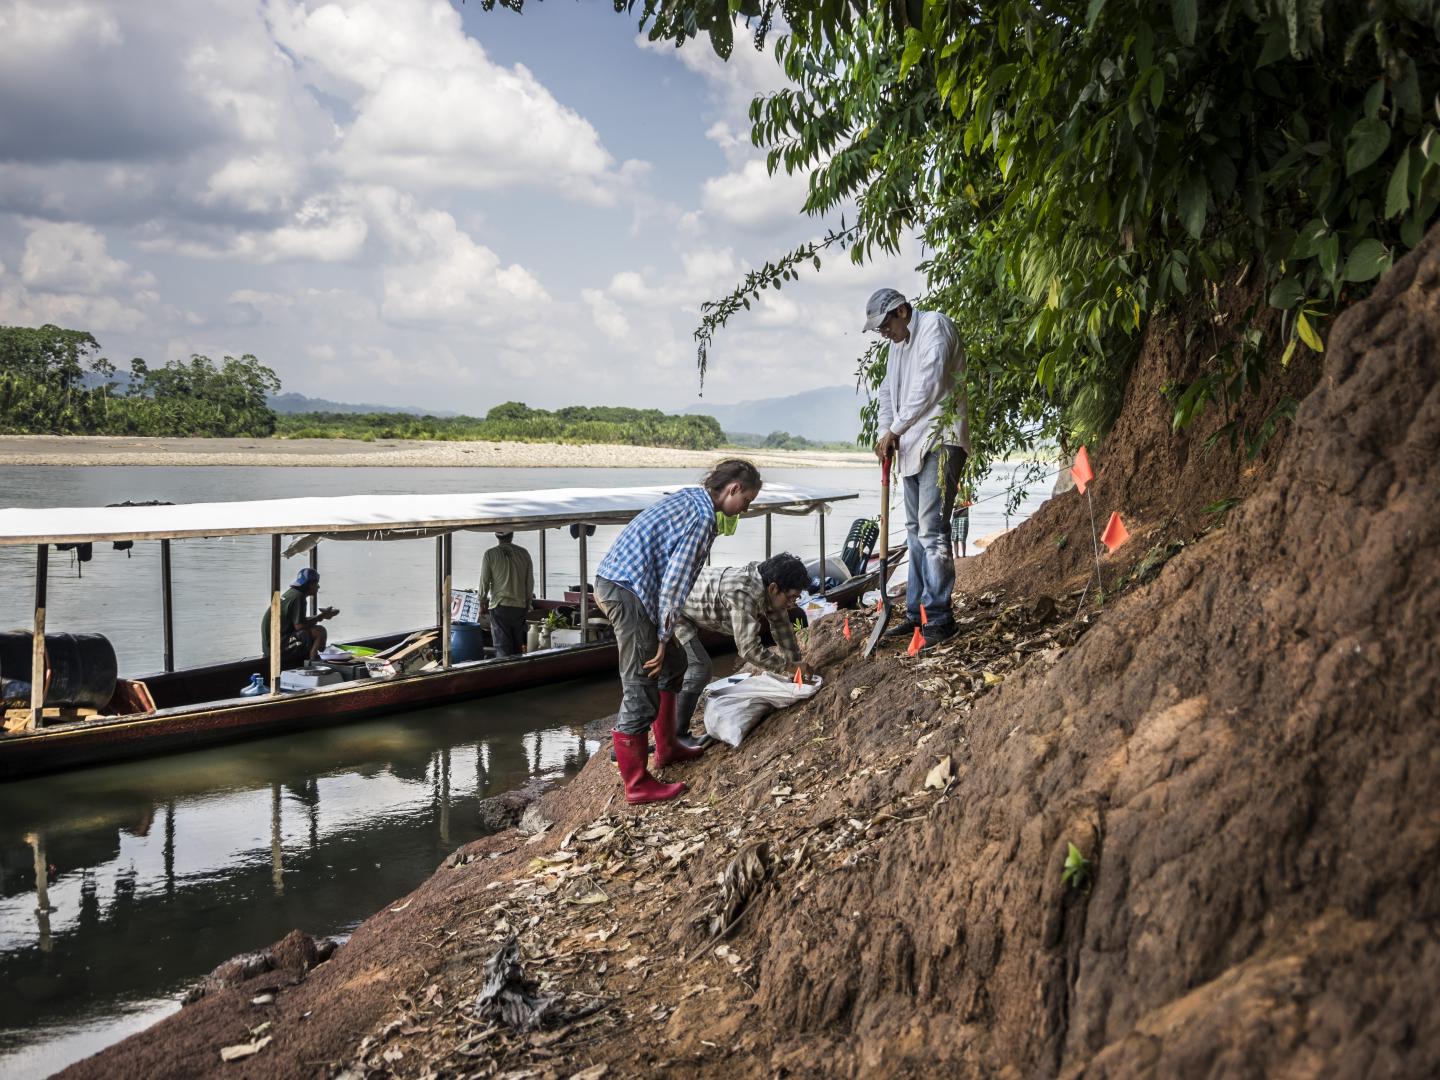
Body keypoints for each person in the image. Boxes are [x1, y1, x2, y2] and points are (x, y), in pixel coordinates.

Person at [594, 458, 762, 804]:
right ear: (733, 489)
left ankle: (667, 746)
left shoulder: (693, 497)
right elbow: (676, 582)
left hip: (626, 584)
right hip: (627, 590)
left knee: (674, 665)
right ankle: (637, 784)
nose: (745, 510)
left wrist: (664, 640)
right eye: (746, 502)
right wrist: (662, 635)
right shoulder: (702, 519)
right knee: (642, 681)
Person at [865, 287, 969, 648]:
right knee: (914, 533)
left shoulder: (934, 328)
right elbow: (886, 397)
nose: (884, 333)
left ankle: (939, 616)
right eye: (879, 329)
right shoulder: (896, 350)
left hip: (941, 439)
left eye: (885, 325)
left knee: (932, 531)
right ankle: (915, 614)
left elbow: (930, 382)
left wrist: (896, 429)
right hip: (909, 447)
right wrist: (885, 433)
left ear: (903, 311)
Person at [672, 552, 811, 747]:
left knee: (689, 671)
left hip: (696, 599)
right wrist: (788, 667)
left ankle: (672, 731)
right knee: (699, 669)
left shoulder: (768, 586)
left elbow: (782, 629)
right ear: (773, 588)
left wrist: (796, 663)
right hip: (677, 607)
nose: (792, 604)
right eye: (791, 597)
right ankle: (678, 736)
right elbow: (748, 650)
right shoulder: (743, 594)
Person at [259, 567, 337, 665]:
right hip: (277, 647)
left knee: (314, 631)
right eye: (316, 584)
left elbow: (300, 622)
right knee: (319, 631)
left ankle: (312, 659)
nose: (318, 587)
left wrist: (321, 616)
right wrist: (321, 617)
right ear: (310, 585)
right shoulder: (298, 597)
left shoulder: (292, 593)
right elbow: (300, 626)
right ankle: (314, 662)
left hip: (272, 644)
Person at [478, 532, 534, 658]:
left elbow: (484, 581)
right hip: (519, 606)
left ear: (496, 536)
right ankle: (518, 673)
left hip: (500, 606)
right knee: (517, 646)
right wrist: (528, 603)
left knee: (502, 647)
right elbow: (529, 582)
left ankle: (505, 674)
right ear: (512, 535)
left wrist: (482, 602)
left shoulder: (490, 554)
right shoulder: (524, 553)